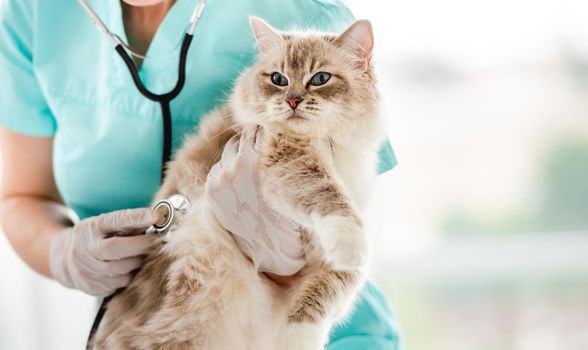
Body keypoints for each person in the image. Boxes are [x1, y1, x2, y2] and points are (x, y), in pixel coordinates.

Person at [0, 0, 403, 348]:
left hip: (318, 330)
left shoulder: (299, 13)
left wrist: (285, 261)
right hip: (158, 320)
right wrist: (62, 253)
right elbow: (21, 196)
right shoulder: (35, 12)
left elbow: (348, 223)